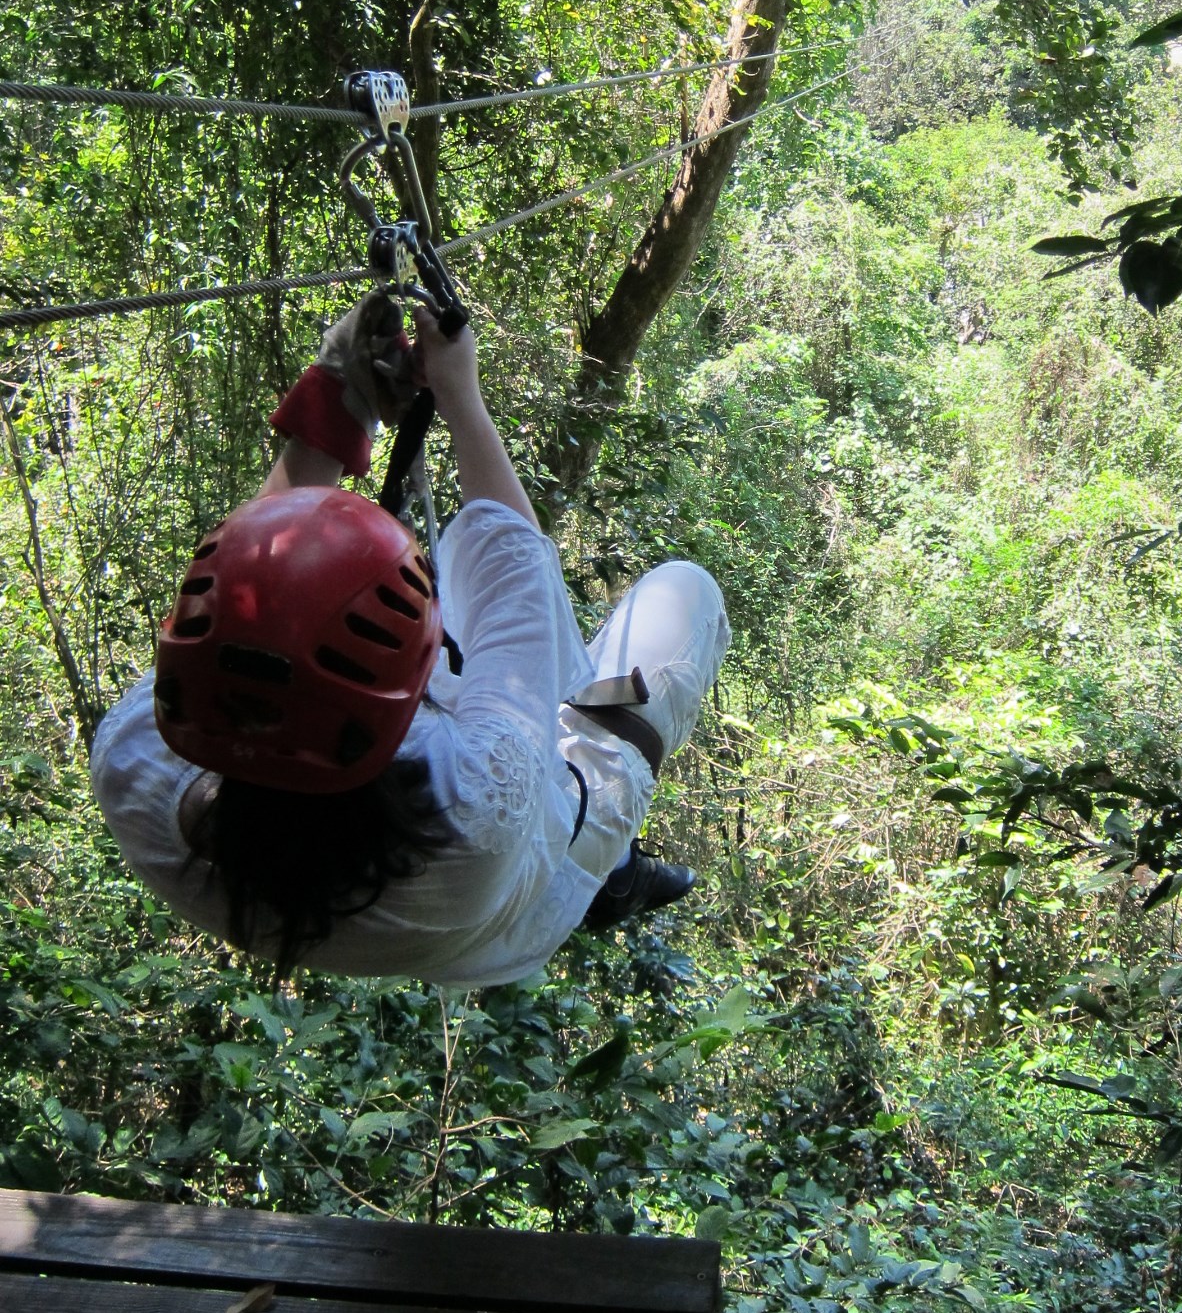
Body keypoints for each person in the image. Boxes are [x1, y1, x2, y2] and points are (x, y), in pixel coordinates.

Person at [89, 295, 731, 983]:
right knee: (686, 592)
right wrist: (460, 391)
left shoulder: (134, 761)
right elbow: (515, 563)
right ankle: (613, 871)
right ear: (416, 699)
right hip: (521, 899)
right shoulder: (475, 801)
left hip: (425, 903)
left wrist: (339, 402)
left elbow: (259, 576)